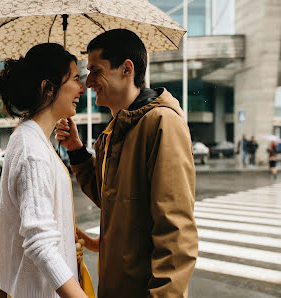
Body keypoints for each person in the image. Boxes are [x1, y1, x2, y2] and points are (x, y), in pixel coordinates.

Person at [56, 29, 198, 297]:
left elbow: (175, 232)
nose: (88, 83)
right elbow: (112, 199)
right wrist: (76, 150)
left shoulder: (161, 124)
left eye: (96, 71)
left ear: (127, 69)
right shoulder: (112, 132)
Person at [0, 43, 90, 298]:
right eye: (76, 79)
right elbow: (40, 242)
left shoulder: (30, 138)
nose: (82, 89)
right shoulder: (32, 150)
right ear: (49, 88)